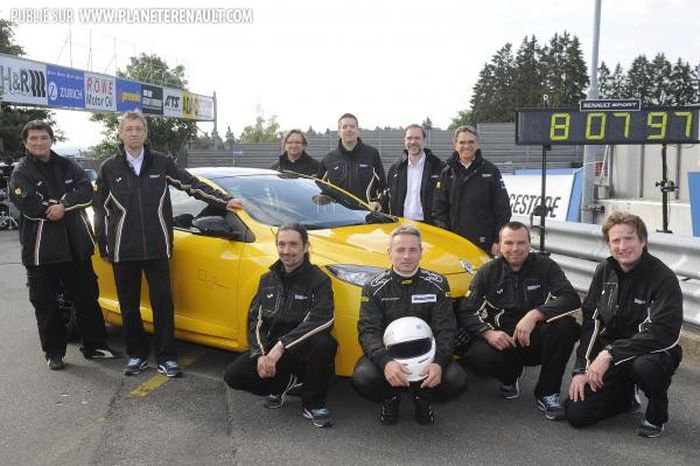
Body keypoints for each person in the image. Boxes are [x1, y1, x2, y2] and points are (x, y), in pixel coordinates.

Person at [94, 111, 243, 378]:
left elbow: (191, 184)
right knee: (129, 307)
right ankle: (137, 355)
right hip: (122, 249)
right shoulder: (108, 167)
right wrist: (103, 243)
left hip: (156, 247)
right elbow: (99, 209)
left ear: (145, 133)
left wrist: (223, 201)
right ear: (120, 133)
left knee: (163, 303)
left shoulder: (161, 162)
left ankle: (166, 357)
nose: (134, 133)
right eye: (128, 129)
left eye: (138, 128)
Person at [9, 120, 120, 370]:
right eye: (34, 139)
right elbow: (31, 204)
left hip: (76, 248)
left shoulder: (68, 165)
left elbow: (86, 191)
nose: (39, 142)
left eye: (44, 138)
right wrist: (58, 206)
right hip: (42, 253)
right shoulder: (21, 172)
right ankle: (54, 353)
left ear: (51, 140)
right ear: (26, 142)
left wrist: (63, 205)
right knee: (46, 305)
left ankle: (96, 346)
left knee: (87, 298)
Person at [565, 212, 683, 438]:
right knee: (576, 414)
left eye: (629, 238)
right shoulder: (604, 270)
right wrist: (581, 369)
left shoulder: (663, 278)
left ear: (643, 241)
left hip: (652, 352)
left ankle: (657, 413)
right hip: (614, 353)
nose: (622, 246)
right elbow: (591, 321)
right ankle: (624, 395)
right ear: (608, 245)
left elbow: (663, 333)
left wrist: (609, 354)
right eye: (615, 240)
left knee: (645, 367)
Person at [455, 221, 580, 420]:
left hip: (535, 339)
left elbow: (570, 298)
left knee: (565, 327)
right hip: (504, 341)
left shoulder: (546, 266)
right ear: (499, 246)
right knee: (475, 354)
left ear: (530, 244)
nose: (515, 248)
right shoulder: (487, 271)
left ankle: (548, 393)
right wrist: (488, 333)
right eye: (509, 243)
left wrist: (535, 315)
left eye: (521, 243)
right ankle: (510, 377)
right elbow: (466, 311)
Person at [224, 223, 337, 428]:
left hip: (304, 352)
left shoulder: (319, 280)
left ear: (305, 247)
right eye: (281, 244)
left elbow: (323, 318)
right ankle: (282, 384)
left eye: (293, 244)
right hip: (274, 352)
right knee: (233, 375)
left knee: (323, 343)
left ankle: (313, 403)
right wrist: (260, 355)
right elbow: (255, 321)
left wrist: (281, 346)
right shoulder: (266, 279)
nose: (286, 251)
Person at [352, 224, 467, 425]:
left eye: (413, 250)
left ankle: (423, 398)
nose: (406, 256)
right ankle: (391, 398)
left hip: (427, 356)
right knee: (363, 377)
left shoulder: (438, 283)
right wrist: (385, 363)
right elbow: (368, 331)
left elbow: (446, 329)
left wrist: (439, 363)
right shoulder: (374, 287)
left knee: (456, 379)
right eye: (400, 250)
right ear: (389, 253)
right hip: (390, 355)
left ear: (421, 252)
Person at [433, 125, 511, 256]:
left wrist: (498, 240)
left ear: (477, 144)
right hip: (455, 244)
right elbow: (439, 210)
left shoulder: (491, 171)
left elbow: (503, 209)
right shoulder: (447, 172)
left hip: (485, 244)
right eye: (462, 142)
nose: (466, 146)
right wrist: (446, 239)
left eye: (471, 142)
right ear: (455, 145)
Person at [318, 113, 386, 211]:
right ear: (339, 132)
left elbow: (382, 185)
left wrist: (378, 201)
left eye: (352, 126)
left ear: (358, 131)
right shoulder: (328, 159)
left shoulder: (372, 154)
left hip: (368, 216)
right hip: (339, 218)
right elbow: (320, 187)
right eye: (344, 127)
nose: (348, 129)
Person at [384, 124, 444, 224]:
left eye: (417, 138)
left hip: (429, 226)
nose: (413, 142)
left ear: (424, 140)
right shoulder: (395, 168)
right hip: (401, 225)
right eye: (409, 138)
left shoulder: (438, 167)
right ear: (404, 140)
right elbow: (388, 196)